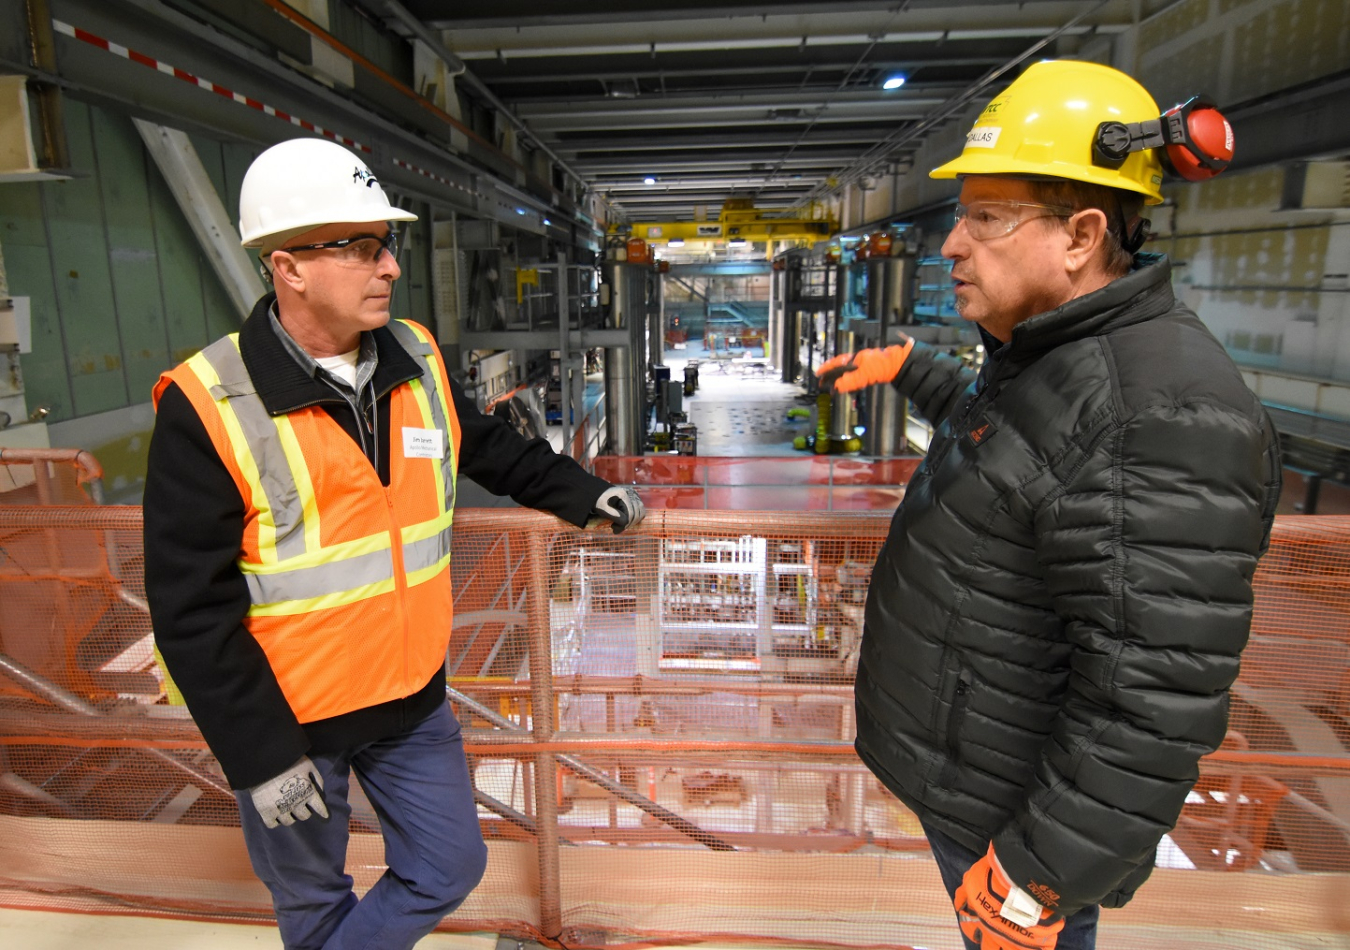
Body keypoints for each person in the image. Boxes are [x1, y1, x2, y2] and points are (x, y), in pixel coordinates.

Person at [819, 60, 1280, 950]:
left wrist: (1040, 878)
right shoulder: (1056, 359)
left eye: (986, 218)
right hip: (980, 780)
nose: (952, 243)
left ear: (1082, 234)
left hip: (1023, 828)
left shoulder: (1163, 412)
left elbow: (1153, 697)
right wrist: (917, 373)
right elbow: (1028, 465)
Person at [143, 137, 645, 950]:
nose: (387, 268)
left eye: (386, 245)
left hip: (411, 702)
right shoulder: (207, 405)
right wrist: (260, 757)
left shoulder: (415, 356)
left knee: (449, 865)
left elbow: (489, 447)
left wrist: (584, 495)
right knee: (312, 907)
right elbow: (190, 610)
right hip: (291, 722)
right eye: (359, 247)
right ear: (288, 265)